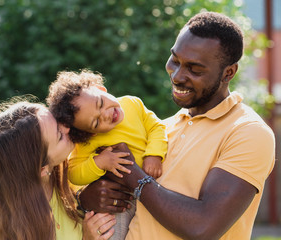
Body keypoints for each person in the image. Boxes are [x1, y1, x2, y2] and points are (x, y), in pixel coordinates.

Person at [78, 12, 276, 240]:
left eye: (195, 69)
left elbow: (202, 227)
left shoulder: (248, 132)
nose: (178, 76)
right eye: (175, 60)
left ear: (228, 73)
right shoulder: (162, 128)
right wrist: (89, 198)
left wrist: (133, 175)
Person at [0, 95, 116, 240]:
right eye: (59, 136)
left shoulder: (70, 164)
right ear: (42, 170)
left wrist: (84, 198)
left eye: (56, 119)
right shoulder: (15, 233)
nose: (67, 127)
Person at [46, 69, 168, 239]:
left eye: (100, 103)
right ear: (91, 133)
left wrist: (154, 154)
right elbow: (74, 173)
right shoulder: (88, 142)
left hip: (155, 186)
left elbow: (157, 127)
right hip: (120, 200)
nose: (106, 114)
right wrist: (98, 163)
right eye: (96, 122)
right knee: (108, 231)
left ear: (100, 89)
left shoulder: (133, 104)